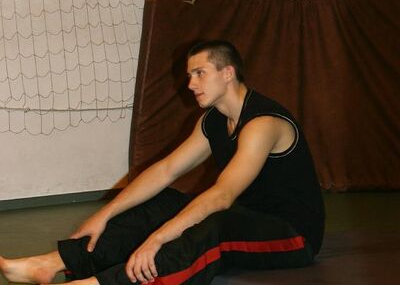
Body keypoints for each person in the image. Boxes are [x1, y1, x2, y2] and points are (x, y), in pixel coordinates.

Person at [0, 40, 325, 285]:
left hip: (292, 235)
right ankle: (50, 264)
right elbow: (166, 170)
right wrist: (105, 214)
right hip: (246, 218)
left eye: (199, 73)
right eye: (189, 75)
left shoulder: (262, 124)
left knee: (215, 228)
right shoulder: (213, 120)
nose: (191, 84)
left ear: (228, 73)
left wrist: (158, 238)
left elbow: (223, 195)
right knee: (162, 204)